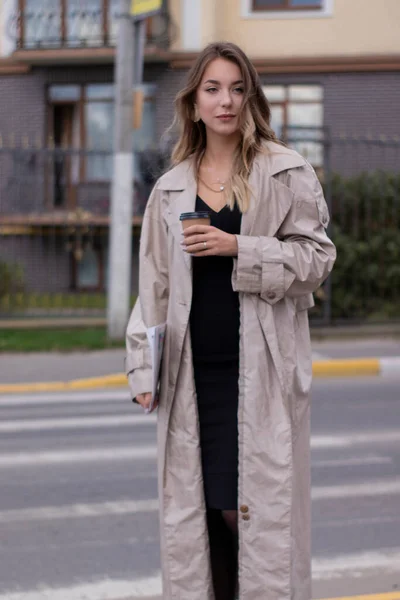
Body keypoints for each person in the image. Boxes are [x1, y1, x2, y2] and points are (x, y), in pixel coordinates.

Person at [126, 42, 336, 600]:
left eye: (238, 89)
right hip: (194, 379)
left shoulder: (285, 172)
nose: (226, 101)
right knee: (203, 512)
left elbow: (317, 262)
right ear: (194, 102)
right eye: (213, 89)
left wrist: (237, 247)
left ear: (251, 98)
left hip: (262, 374)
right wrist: (143, 369)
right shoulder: (169, 189)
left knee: (256, 517)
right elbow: (153, 288)